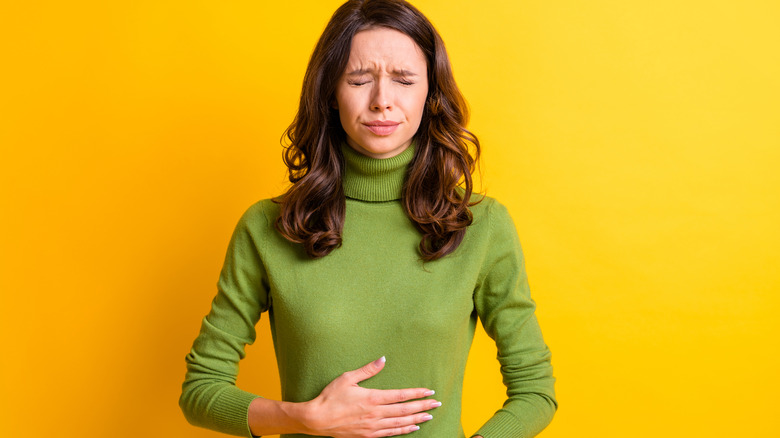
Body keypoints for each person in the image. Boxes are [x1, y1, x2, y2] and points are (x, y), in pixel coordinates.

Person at [179, 0, 557, 437]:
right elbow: (201, 390)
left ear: (430, 95)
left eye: (404, 80)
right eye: (359, 79)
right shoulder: (269, 226)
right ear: (330, 93)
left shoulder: (481, 226)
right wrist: (304, 417)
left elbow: (535, 389)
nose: (382, 101)